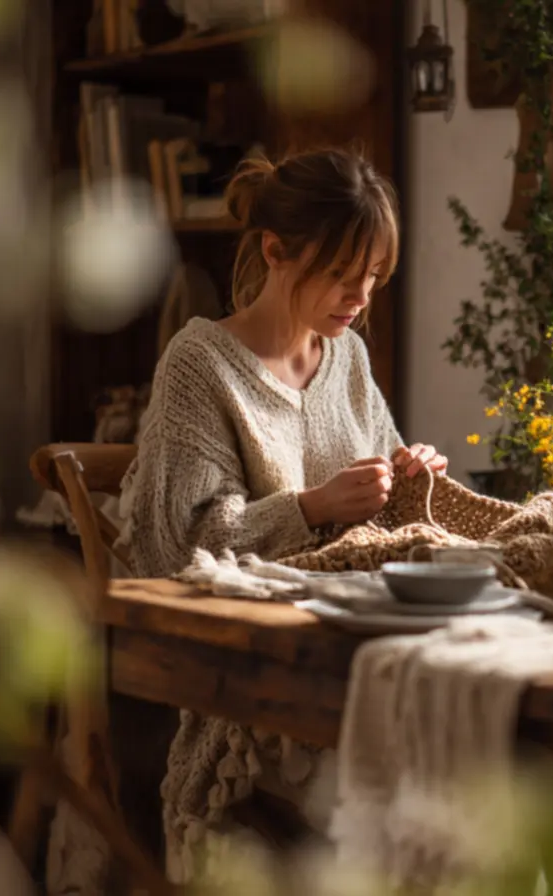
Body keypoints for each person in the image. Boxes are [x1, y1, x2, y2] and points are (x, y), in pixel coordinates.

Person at [115, 146, 446, 882]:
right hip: (244, 670)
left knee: (467, 754)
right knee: (425, 787)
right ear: (276, 251)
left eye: (374, 278)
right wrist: (312, 507)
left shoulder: (347, 358)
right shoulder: (199, 363)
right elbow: (184, 545)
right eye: (342, 274)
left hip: (342, 650)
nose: (360, 296)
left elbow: (385, 506)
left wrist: (410, 471)